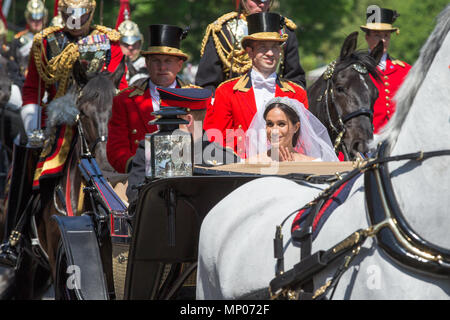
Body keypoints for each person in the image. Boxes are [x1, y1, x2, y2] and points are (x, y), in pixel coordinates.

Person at [203, 12, 308, 159]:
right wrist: (253, 161)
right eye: (263, 47)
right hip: (241, 172)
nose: (270, 53)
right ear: (250, 52)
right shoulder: (226, 92)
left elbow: (304, 140)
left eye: (275, 47)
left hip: (286, 170)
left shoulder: (297, 94)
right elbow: (217, 138)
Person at [107, 24, 197, 174]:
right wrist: (141, 168)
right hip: (141, 180)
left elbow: (206, 142)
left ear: (179, 65)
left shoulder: (196, 98)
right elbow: (116, 151)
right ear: (147, 63)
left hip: (189, 179)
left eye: (168, 61)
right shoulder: (124, 100)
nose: (162, 67)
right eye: (156, 61)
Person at [126, 87, 241, 203]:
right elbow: (134, 197)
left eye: (167, 120)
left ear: (188, 120)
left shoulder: (225, 158)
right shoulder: (149, 149)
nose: (160, 126)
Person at [196, 0, 306, 92]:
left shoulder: (284, 30)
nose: (262, 4)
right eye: (256, 0)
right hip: (233, 103)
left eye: (266, 0)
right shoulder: (222, 31)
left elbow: (295, 78)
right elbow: (207, 83)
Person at [361, 6, 412, 134]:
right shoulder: (357, 69)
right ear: (367, 37)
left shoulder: (405, 70)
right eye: (377, 35)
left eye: (386, 35)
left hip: (399, 138)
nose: (383, 40)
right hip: (367, 139)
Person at [245, 97, 338, 162]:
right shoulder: (252, 163)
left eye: (281, 124)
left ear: (296, 127)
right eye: (270, 124)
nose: (274, 131)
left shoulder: (313, 164)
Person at [10, 0, 48, 78]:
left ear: (44, 18)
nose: (36, 22)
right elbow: (13, 66)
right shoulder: (18, 40)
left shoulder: (50, 39)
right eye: (33, 19)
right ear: (27, 18)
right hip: (23, 81)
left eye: (39, 19)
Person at [117, 10, 148, 85]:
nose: (130, 47)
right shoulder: (111, 64)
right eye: (126, 44)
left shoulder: (148, 64)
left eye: (134, 44)